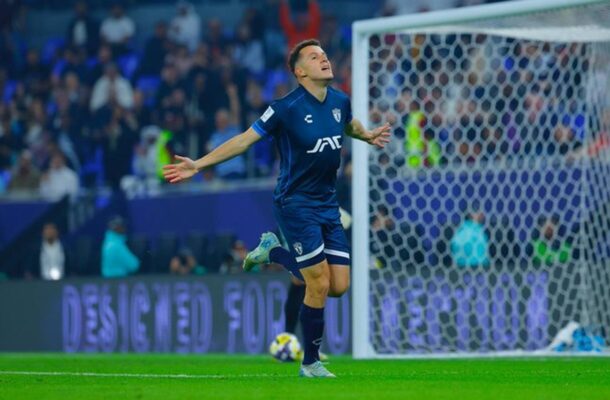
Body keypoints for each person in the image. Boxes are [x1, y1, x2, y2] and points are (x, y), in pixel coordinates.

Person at [163, 39, 390, 377]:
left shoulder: (340, 100)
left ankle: (274, 252)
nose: (324, 60)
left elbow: (347, 124)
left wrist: (367, 134)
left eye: (324, 55)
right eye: (314, 57)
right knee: (318, 283)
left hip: (327, 203)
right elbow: (243, 140)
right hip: (295, 203)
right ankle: (310, 363)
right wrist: (199, 164)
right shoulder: (285, 108)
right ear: (300, 72)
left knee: (339, 285)